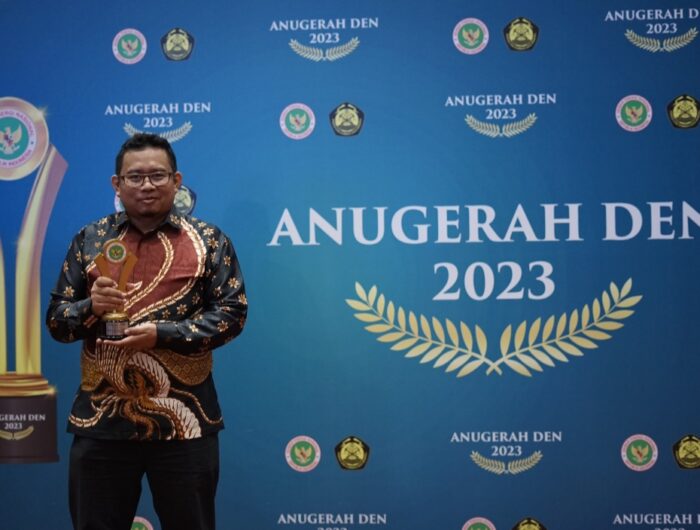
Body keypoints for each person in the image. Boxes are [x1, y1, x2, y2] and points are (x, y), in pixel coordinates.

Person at [46, 133, 247, 530]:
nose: (147, 185)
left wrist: (162, 334)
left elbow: (232, 314)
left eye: (158, 175)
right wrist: (90, 307)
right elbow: (57, 322)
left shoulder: (209, 241)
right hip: (101, 421)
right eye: (135, 177)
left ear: (177, 180)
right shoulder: (89, 239)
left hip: (186, 422)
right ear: (117, 184)